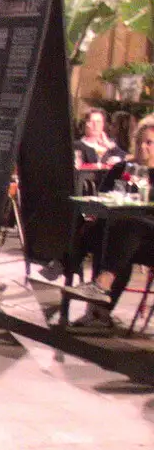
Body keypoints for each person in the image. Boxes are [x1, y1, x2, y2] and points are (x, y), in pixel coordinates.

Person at [66, 114, 154, 328]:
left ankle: (80, 272)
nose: (143, 147)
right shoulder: (122, 168)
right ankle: (99, 310)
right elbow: (103, 196)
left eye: (150, 142)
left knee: (126, 226)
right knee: (105, 230)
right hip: (124, 239)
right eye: (140, 141)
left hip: (148, 240)